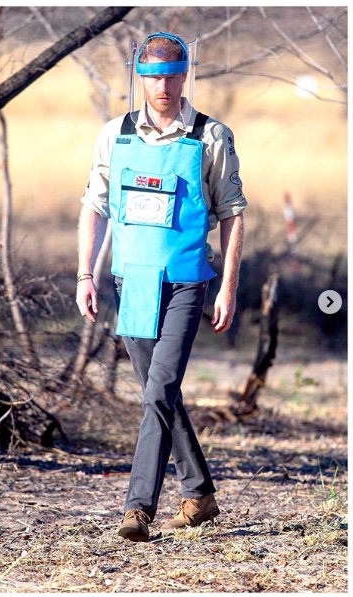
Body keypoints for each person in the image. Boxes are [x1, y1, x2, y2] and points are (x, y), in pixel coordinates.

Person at [76, 31, 247, 542]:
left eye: (173, 76)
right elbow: (95, 204)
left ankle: (138, 509)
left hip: (187, 284)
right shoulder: (116, 134)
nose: (164, 86)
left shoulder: (210, 136)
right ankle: (200, 494)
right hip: (131, 283)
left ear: (185, 75)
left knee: (158, 392)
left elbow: (234, 215)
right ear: (141, 78)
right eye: (154, 77)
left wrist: (229, 288)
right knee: (160, 394)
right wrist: (86, 272)